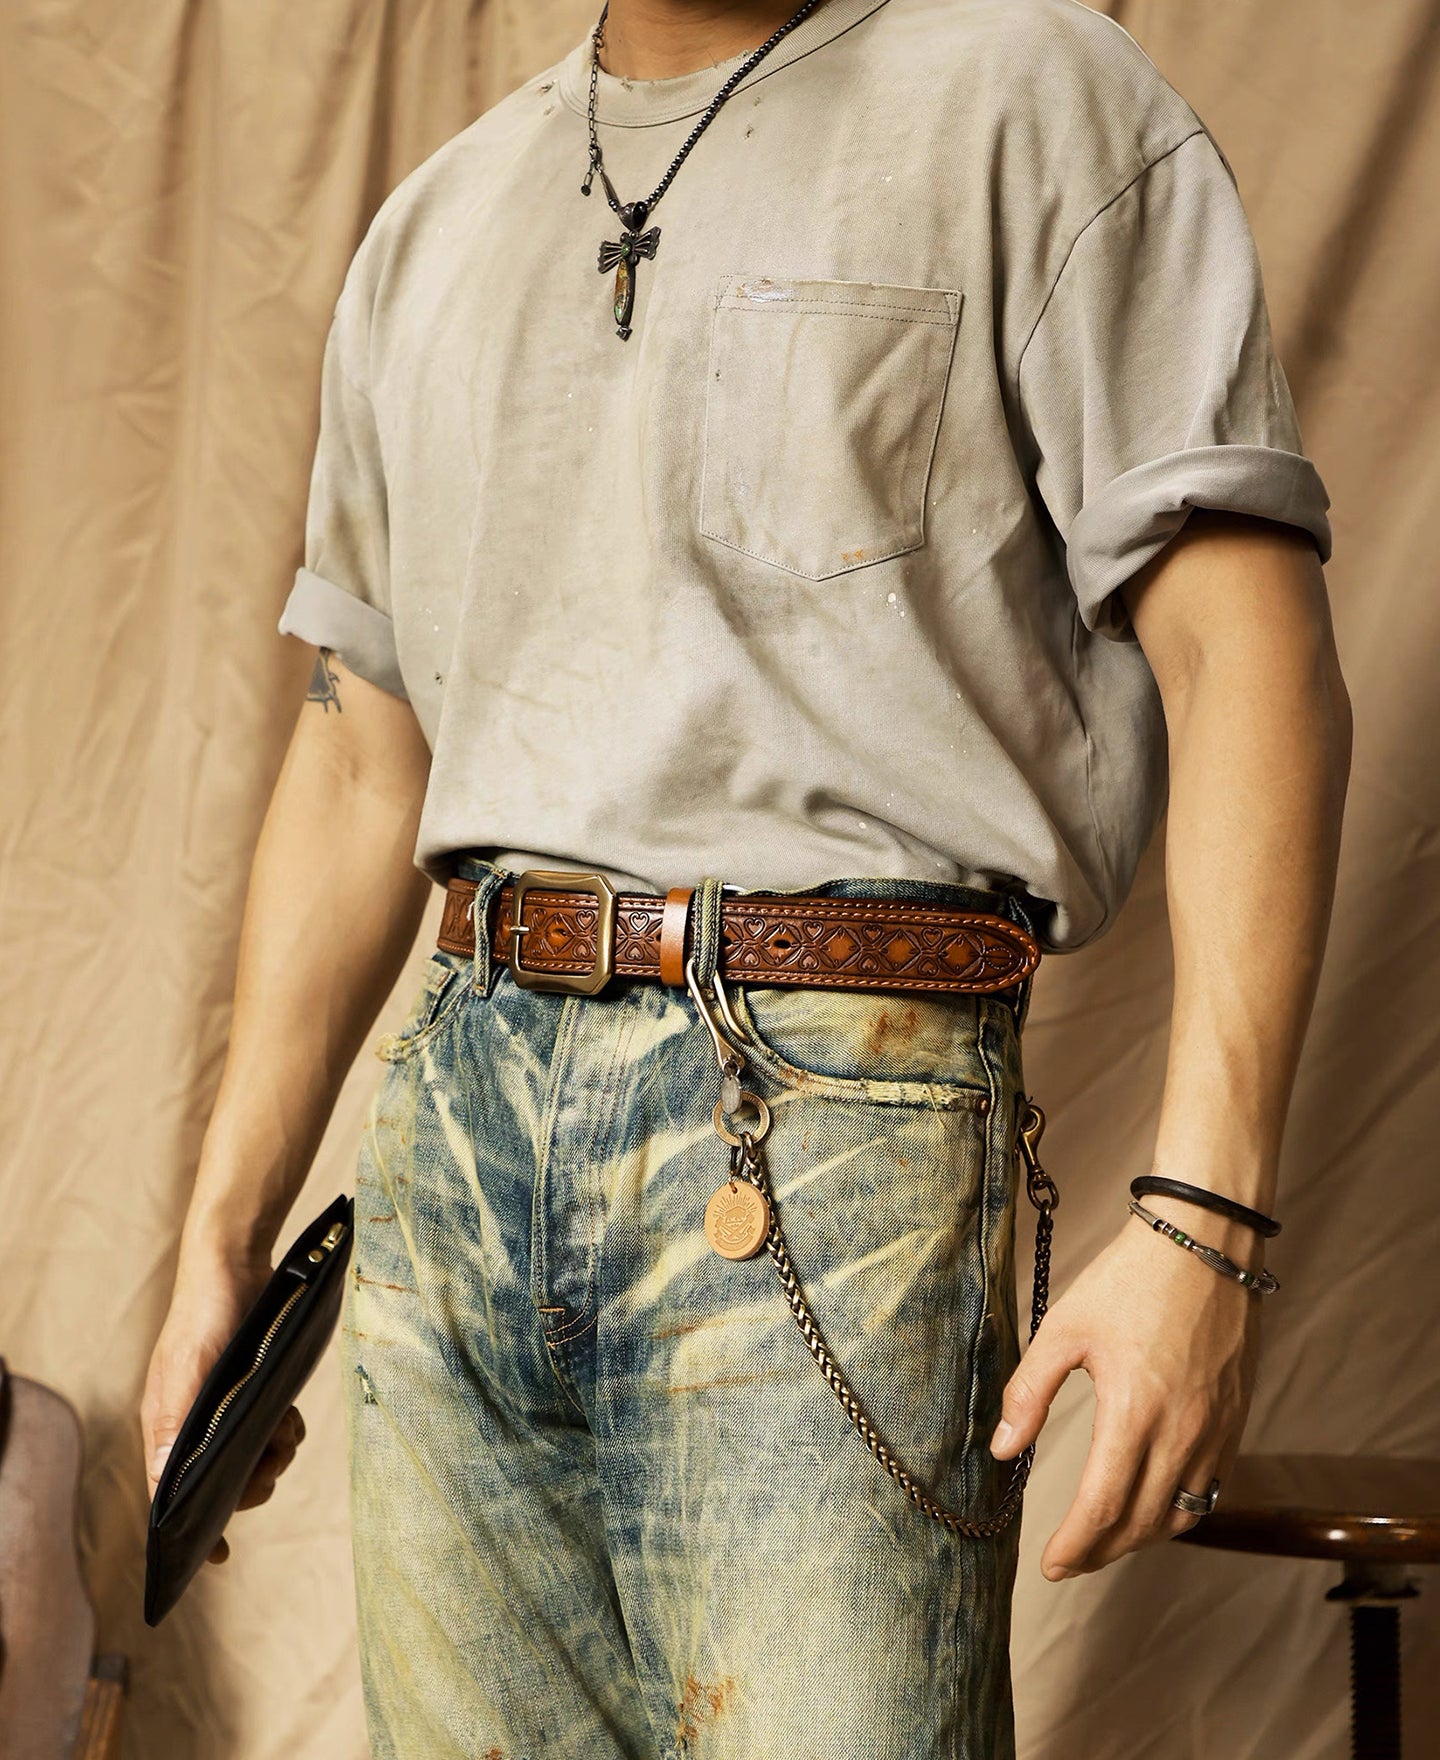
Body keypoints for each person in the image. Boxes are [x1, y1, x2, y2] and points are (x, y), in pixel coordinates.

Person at [141, 1, 1351, 1755]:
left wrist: (1205, 1223)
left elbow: (1248, 650)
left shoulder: (1034, 96)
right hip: (454, 1133)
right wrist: (219, 1240)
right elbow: (353, 757)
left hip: (830, 1133)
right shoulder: (436, 218)